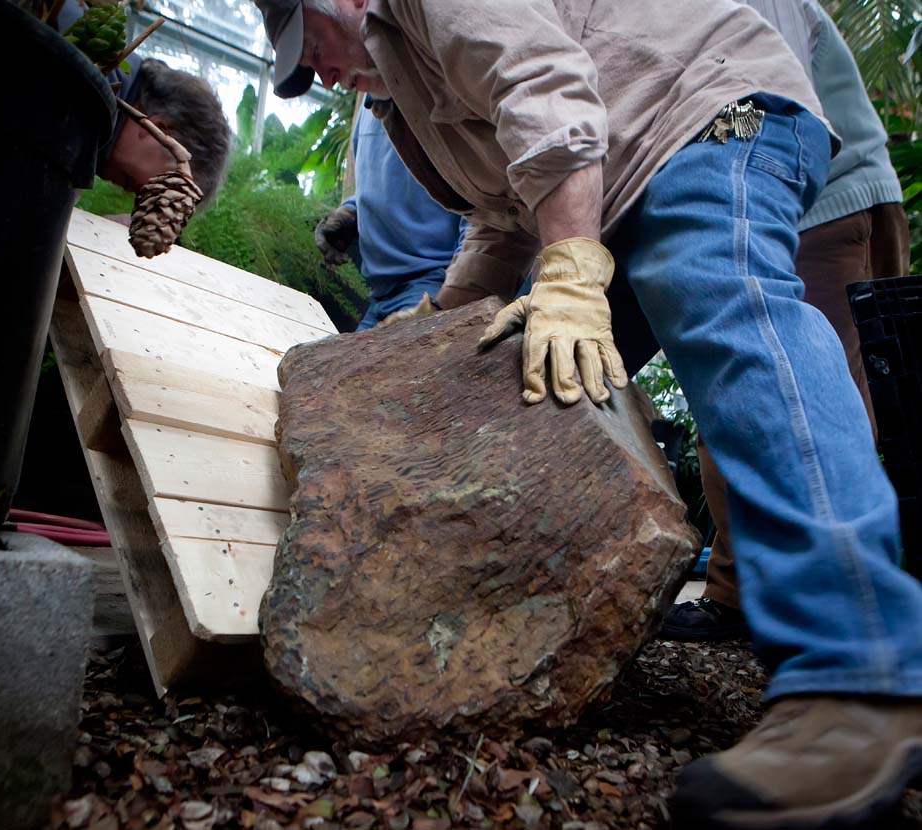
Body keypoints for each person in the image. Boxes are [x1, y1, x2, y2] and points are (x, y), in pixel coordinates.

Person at [255, 0, 922, 826]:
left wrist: (570, 269)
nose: (315, 74)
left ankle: (861, 675)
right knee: (517, 358)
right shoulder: (405, 92)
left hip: (706, 112)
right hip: (621, 172)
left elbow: (547, 90)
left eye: (307, 45)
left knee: (718, 285)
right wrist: (452, 315)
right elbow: (504, 208)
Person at [662, 0, 912, 643]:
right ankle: (751, 594)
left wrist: (686, 173)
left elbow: (759, 96)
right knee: (783, 387)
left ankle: (833, 625)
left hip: (814, 203)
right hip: (821, 193)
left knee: (766, 382)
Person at [313, 98, 467, 330]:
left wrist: (449, 296)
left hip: (429, 284)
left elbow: (482, 210)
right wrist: (350, 212)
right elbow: (372, 184)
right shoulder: (367, 108)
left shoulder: (438, 92)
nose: (326, 79)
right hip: (378, 293)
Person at [58, 0, 230, 202]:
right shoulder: (84, 91)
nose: (143, 195)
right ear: (160, 129)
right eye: (172, 183)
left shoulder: (107, 80)